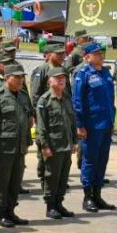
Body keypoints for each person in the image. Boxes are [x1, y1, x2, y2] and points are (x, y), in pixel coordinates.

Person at [0, 64, 34, 227]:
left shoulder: (23, 96)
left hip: (19, 147)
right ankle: (1, 213)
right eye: (17, 77)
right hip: (3, 148)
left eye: (22, 77)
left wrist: (27, 143)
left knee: (15, 181)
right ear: (7, 78)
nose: (21, 80)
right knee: (1, 181)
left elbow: (26, 122)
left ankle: (11, 211)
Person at [72, 42, 116, 212]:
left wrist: (112, 122)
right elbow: (77, 101)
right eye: (96, 54)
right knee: (90, 161)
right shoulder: (83, 74)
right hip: (91, 126)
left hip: (105, 124)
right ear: (87, 57)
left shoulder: (105, 73)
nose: (101, 56)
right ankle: (88, 197)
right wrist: (80, 125)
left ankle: (98, 195)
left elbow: (110, 99)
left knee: (102, 161)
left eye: (101, 53)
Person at [36, 66, 77, 219]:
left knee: (63, 177)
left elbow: (72, 121)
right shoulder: (44, 101)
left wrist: (74, 141)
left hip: (66, 145)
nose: (61, 80)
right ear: (49, 81)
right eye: (58, 78)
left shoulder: (66, 98)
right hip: (53, 146)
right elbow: (41, 126)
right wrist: (44, 146)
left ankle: (59, 203)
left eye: (63, 78)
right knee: (51, 177)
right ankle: (50, 206)